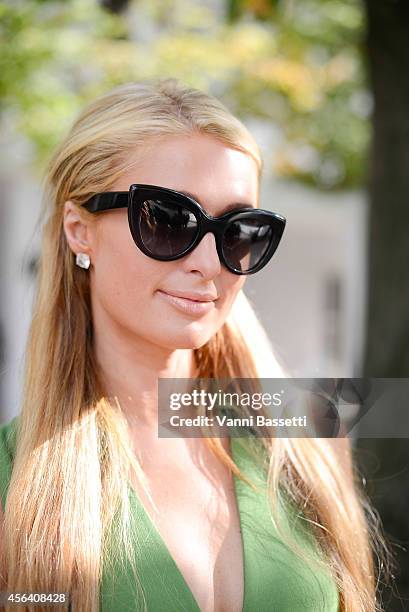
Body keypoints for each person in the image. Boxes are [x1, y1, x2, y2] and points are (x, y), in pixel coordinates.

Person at [0, 78, 390, 612]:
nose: (207, 263)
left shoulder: (307, 436)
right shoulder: (13, 484)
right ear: (78, 230)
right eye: (166, 219)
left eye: (238, 230)